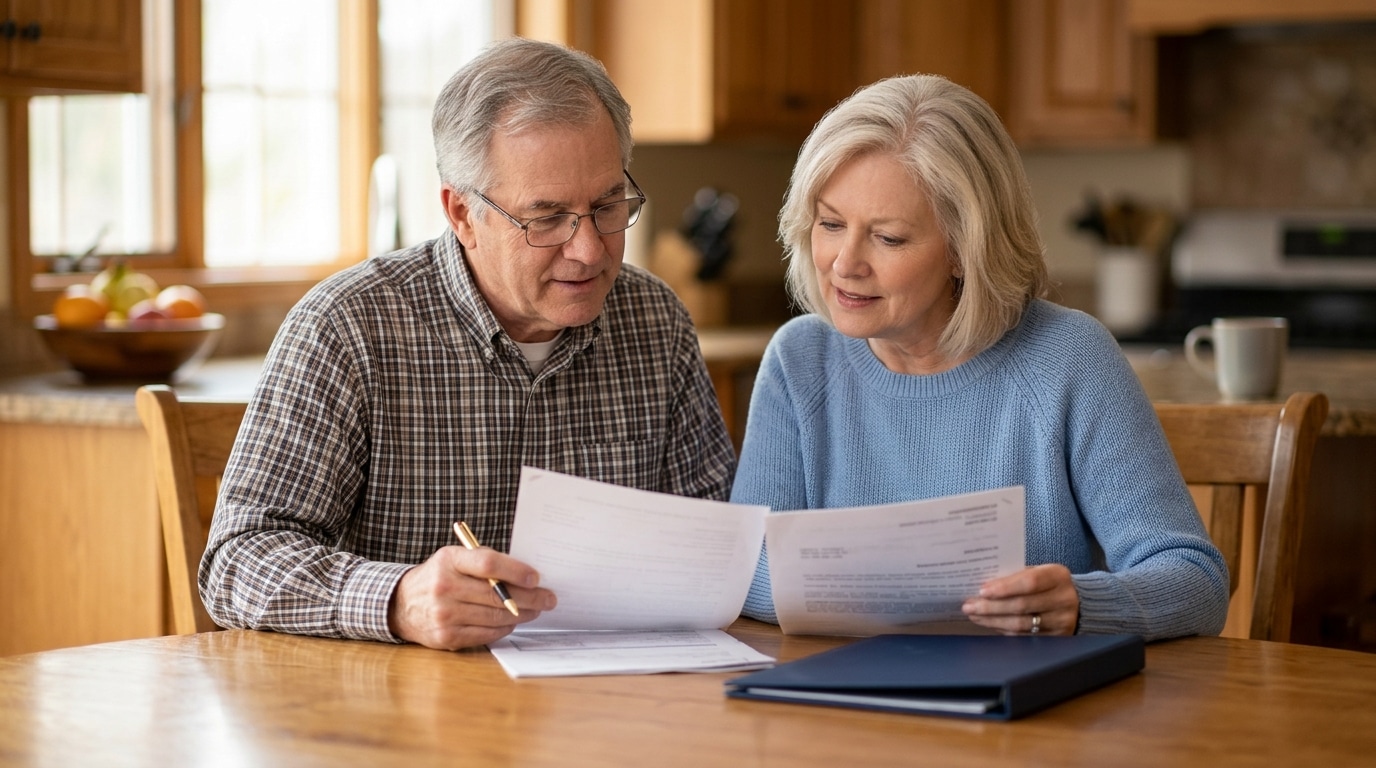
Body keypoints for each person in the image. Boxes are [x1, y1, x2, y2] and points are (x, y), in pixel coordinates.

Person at [201, 38, 736, 651]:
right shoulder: (348, 328)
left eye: (608, 204)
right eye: (547, 217)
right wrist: (399, 600)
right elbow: (237, 563)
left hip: (603, 713)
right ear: (461, 213)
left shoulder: (653, 320)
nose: (589, 249)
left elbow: (711, 539)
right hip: (398, 721)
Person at [731, 74, 1229, 642]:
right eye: (830, 224)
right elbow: (744, 569)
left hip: (1025, 711)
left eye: (888, 238)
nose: (845, 263)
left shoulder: (1069, 360)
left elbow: (1196, 583)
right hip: (839, 706)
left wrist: (1081, 605)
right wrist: (903, 586)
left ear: (966, 251)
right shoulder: (799, 361)